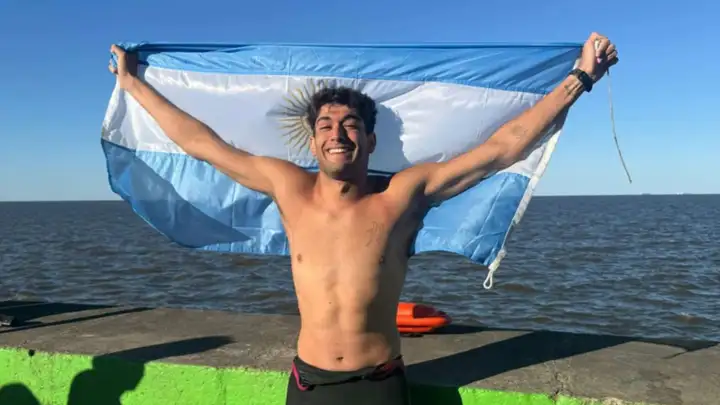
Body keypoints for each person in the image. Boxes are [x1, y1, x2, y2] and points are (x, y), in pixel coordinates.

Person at [109, 32, 618, 405]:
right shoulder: (289, 188)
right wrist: (133, 85)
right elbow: (202, 143)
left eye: (350, 124)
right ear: (312, 142)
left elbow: (501, 149)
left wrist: (579, 79)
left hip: (379, 386)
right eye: (326, 125)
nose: (337, 133)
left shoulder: (401, 196)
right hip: (308, 385)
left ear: (370, 141)